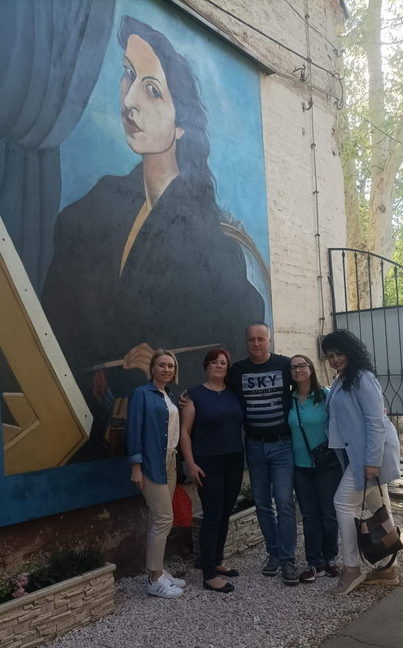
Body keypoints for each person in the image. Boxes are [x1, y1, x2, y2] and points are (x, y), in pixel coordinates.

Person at [42, 14, 265, 460]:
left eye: (151, 89)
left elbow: (238, 338)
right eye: (127, 75)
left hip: (167, 428)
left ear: (182, 124)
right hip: (83, 422)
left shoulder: (214, 239)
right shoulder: (91, 209)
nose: (128, 101)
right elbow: (59, 321)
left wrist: (167, 365)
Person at [320, 329, 401, 596]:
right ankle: (389, 568)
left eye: (338, 353)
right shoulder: (343, 378)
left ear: (351, 351)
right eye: (329, 356)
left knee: (342, 503)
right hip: (359, 455)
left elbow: (375, 422)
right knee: (379, 508)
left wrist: (372, 462)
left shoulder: (363, 378)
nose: (334, 359)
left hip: (370, 456)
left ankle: (352, 568)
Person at [227, 323, 299, 586]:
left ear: (269, 340)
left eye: (261, 339)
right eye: (251, 340)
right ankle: (274, 553)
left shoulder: (285, 365)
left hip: (282, 445)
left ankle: (288, 558)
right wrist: (189, 398)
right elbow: (217, 389)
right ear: (246, 342)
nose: (256, 344)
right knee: (262, 503)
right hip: (254, 446)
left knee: (284, 501)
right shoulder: (237, 371)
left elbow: (307, 384)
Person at [180, 349, 244, 594]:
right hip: (207, 462)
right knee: (213, 515)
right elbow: (185, 432)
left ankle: (216, 561)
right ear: (206, 366)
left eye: (224, 363)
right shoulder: (194, 395)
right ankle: (208, 575)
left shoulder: (234, 393)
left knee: (225, 513)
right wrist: (191, 463)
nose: (219, 366)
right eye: (214, 362)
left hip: (234, 460)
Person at [127, 350, 187, 598]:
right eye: (161, 365)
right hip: (152, 463)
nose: (166, 369)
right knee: (164, 519)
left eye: (170, 366)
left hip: (170, 462)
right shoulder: (141, 394)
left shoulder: (168, 395)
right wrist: (136, 466)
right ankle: (154, 579)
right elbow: (134, 430)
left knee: (157, 519)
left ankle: (158, 570)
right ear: (152, 368)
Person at [288, 355, 342, 583]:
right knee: (309, 515)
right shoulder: (288, 399)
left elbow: (345, 414)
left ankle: (330, 558)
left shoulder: (326, 395)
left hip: (327, 465)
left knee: (328, 513)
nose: (298, 370)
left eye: (302, 365)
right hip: (300, 467)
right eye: (293, 367)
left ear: (310, 368)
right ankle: (314, 562)